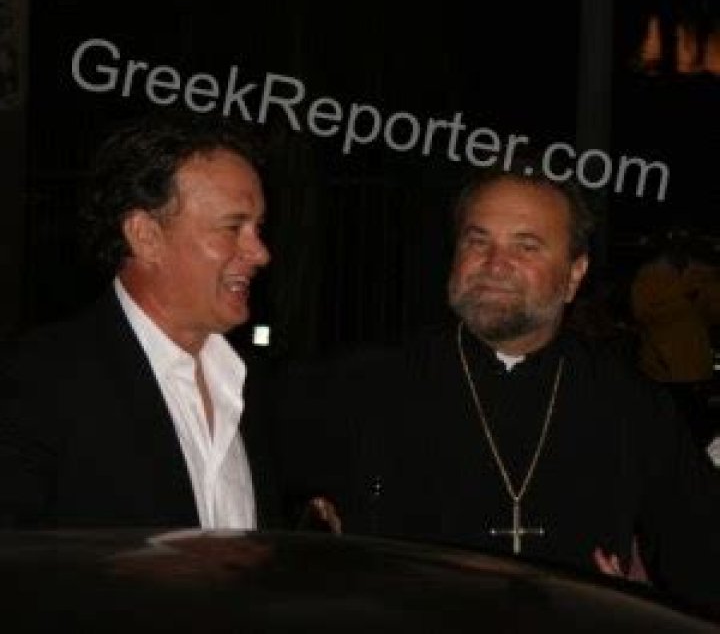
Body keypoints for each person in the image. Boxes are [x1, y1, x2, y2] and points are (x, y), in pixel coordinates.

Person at [274, 164, 720, 613]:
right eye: (478, 241)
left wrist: (643, 608)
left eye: (526, 246)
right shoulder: (364, 382)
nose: (495, 264)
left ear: (574, 275)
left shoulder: (630, 404)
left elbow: (700, 554)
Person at [0, 112, 280, 529]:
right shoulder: (40, 383)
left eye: (257, 228)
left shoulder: (247, 384)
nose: (260, 253)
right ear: (146, 236)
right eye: (233, 227)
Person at [630, 227, 720, 447]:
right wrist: (683, 298)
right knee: (663, 430)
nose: (680, 248)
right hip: (662, 369)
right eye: (675, 242)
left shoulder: (702, 275)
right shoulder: (650, 275)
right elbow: (641, 312)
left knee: (697, 430)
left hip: (697, 366)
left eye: (685, 242)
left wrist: (704, 293)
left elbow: (713, 314)